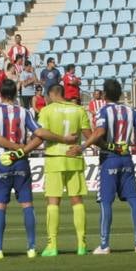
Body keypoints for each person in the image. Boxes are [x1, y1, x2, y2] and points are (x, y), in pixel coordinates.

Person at [0, 79, 45, 258]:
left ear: (0, 94)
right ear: (16, 94)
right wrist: (22, 150)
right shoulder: (24, 112)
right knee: (27, 204)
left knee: (0, 206)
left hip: (2, 159)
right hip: (21, 160)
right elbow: (39, 135)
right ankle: (31, 248)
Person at [85, 79, 136, 254]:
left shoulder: (103, 110)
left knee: (105, 201)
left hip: (109, 158)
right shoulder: (130, 110)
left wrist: (83, 146)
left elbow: (100, 132)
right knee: (134, 200)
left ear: (104, 94)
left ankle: (104, 244)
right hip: (126, 157)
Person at [33, 81, 88, 257]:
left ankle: (52, 245)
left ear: (50, 95)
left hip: (54, 158)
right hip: (74, 158)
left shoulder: (46, 111)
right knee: (77, 201)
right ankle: (81, 245)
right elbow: (90, 134)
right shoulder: (79, 110)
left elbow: (41, 133)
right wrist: (82, 146)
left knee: (53, 202)